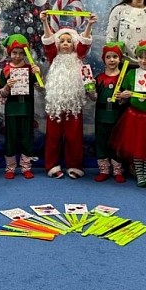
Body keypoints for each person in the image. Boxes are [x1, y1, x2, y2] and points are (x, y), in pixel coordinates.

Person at [40, 11, 96, 179]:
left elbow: (84, 43)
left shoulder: (78, 56)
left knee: (74, 136)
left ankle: (74, 165)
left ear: (74, 44)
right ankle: (52, 165)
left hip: (73, 103)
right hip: (56, 104)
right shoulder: (53, 57)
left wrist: (89, 25)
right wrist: (45, 22)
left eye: (69, 41)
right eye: (62, 41)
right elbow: (48, 41)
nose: (65, 44)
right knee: (53, 136)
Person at [112, 40, 146, 188]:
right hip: (134, 116)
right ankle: (140, 175)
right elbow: (121, 95)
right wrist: (124, 95)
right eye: (140, 57)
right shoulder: (131, 74)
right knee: (136, 147)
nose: (143, 60)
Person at [0, 34, 41, 178]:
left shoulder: (30, 68)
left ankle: (26, 166)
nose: (17, 56)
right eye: (15, 52)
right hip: (11, 110)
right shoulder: (5, 70)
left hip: (27, 108)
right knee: (11, 138)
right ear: (9, 53)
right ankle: (10, 168)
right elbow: (1, 94)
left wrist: (38, 74)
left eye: (21, 53)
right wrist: (7, 87)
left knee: (27, 138)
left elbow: (41, 88)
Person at [87, 42, 127, 183]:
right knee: (101, 142)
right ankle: (103, 169)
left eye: (115, 56)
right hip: (101, 116)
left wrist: (124, 97)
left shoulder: (123, 79)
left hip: (117, 116)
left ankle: (117, 169)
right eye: (108, 57)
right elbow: (94, 98)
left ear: (120, 59)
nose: (111, 60)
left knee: (116, 142)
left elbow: (125, 101)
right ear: (104, 59)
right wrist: (90, 91)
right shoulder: (99, 78)